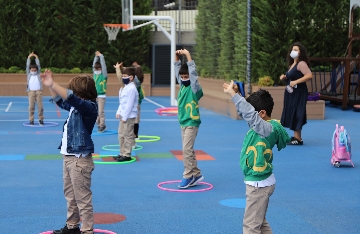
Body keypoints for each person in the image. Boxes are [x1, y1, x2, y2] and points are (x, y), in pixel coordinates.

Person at [223, 81, 290, 234]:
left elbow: (249, 115)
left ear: (262, 114)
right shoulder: (263, 124)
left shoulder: (267, 129)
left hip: (259, 184)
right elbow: (246, 113)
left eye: (254, 114)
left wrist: (233, 95)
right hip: (258, 182)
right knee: (259, 221)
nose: (249, 118)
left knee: (251, 226)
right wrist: (238, 94)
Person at [41, 69, 98, 234]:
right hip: (68, 157)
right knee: (70, 196)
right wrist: (49, 86)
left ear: (82, 93)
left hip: (79, 160)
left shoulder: (89, 107)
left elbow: (72, 98)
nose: (72, 95)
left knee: (82, 198)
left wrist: (53, 83)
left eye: (75, 92)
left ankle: (87, 230)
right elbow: (60, 101)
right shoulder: (76, 108)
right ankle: (72, 226)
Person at [174, 49, 204, 189]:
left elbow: (193, 74)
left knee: (186, 149)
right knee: (188, 150)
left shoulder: (193, 88)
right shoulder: (182, 87)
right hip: (183, 123)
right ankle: (196, 173)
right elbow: (176, 70)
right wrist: (177, 57)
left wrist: (187, 56)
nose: (184, 79)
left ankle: (188, 176)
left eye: (186, 77)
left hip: (192, 122)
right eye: (182, 77)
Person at [280, 42, 313, 145]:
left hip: (299, 92)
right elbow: (292, 78)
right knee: (292, 111)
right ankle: (296, 137)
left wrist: (296, 82)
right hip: (291, 93)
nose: (293, 51)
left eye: (296, 50)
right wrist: (284, 77)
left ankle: (298, 139)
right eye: (292, 50)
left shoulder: (301, 63)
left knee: (298, 111)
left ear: (300, 52)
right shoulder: (292, 64)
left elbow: (309, 75)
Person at [113, 66, 138, 162]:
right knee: (121, 134)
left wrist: (125, 117)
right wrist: (118, 112)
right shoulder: (124, 87)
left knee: (127, 135)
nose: (123, 78)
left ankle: (127, 154)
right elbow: (122, 102)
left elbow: (129, 104)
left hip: (129, 116)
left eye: (125, 76)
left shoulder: (132, 89)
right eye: (122, 76)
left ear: (131, 77)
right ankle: (122, 152)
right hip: (123, 115)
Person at [26, 52, 44, 125]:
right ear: (30, 70)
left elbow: (38, 66)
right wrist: (29, 58)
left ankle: (41, 119)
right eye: (32, 70)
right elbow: (27, 66)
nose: (33, 71)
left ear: (36, 70)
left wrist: (36, 57)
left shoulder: (38, 74)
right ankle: (31, 120)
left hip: (38, 91)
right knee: (31, 107)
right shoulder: (29, 74)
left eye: (34, 70)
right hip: (31, 92)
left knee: (40, 107)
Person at [92, 51, 108, 132]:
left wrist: (101, 56)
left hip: (101, 96)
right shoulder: (94, 75)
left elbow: (104, 66)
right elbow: (93, 64)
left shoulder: (103, 75)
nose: (97, 70)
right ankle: (99, 124)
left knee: (100, 111)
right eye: (96, 69)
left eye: (99, 69)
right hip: (94, 96)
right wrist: (96, 56)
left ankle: (102, 125)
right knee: (95, 112)